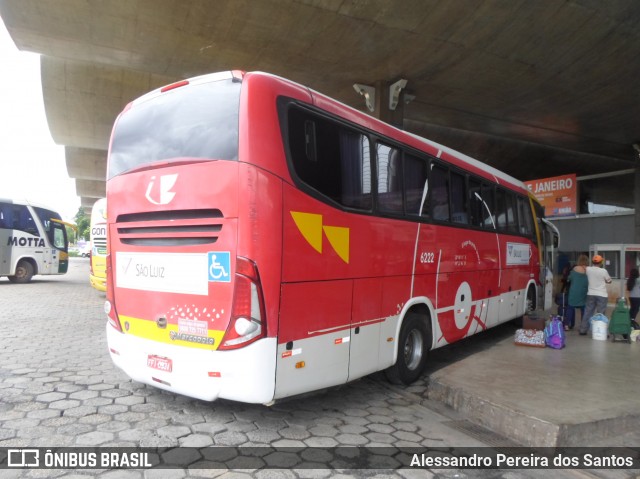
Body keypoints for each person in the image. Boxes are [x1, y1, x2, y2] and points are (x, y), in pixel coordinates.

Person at [579, 255, 612, 335]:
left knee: (588, 312)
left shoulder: (588, 269)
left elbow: (583, 268)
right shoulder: (603, 271)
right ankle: (602, 331)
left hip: (591, 294)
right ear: (601, 262)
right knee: (601, 313)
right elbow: (609, 281)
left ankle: (583, 330)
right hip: (602, 294)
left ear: (592, 262)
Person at [565, 255, 588, 331]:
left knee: (570, 308)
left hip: (574, 292)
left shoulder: (575, 269)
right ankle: (583, 326)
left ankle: (566, 325)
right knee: (584, 310)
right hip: (584, 292)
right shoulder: (588, 270)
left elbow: (568, 279)